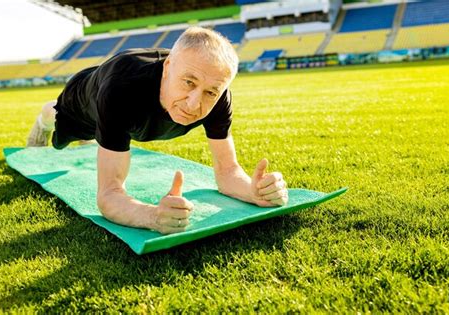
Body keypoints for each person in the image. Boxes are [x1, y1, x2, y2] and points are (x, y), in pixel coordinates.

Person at [27, 27, 289, 234]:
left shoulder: (218, 95)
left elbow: (228, 173)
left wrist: (254, 192)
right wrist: (152, 216)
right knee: (59, 124)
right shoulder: (122, 87)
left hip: (122, 112)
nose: (194, 104)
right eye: (188, 82)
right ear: (167, 68)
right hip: (83, 103)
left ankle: (100, 134)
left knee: (102, 137)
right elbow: (109, 194)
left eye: (210, 92)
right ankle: (44, 120)